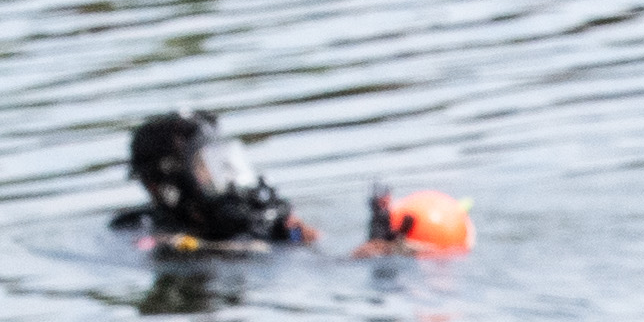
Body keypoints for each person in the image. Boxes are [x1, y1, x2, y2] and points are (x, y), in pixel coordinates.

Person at [111, 110, 471, 257]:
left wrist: (303, 233)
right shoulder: (164, 240)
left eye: (223, 164)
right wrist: (368, 257)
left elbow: (311, 252)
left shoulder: (249, 217)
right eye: (206, 169)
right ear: (167, 186)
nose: (227, 180)